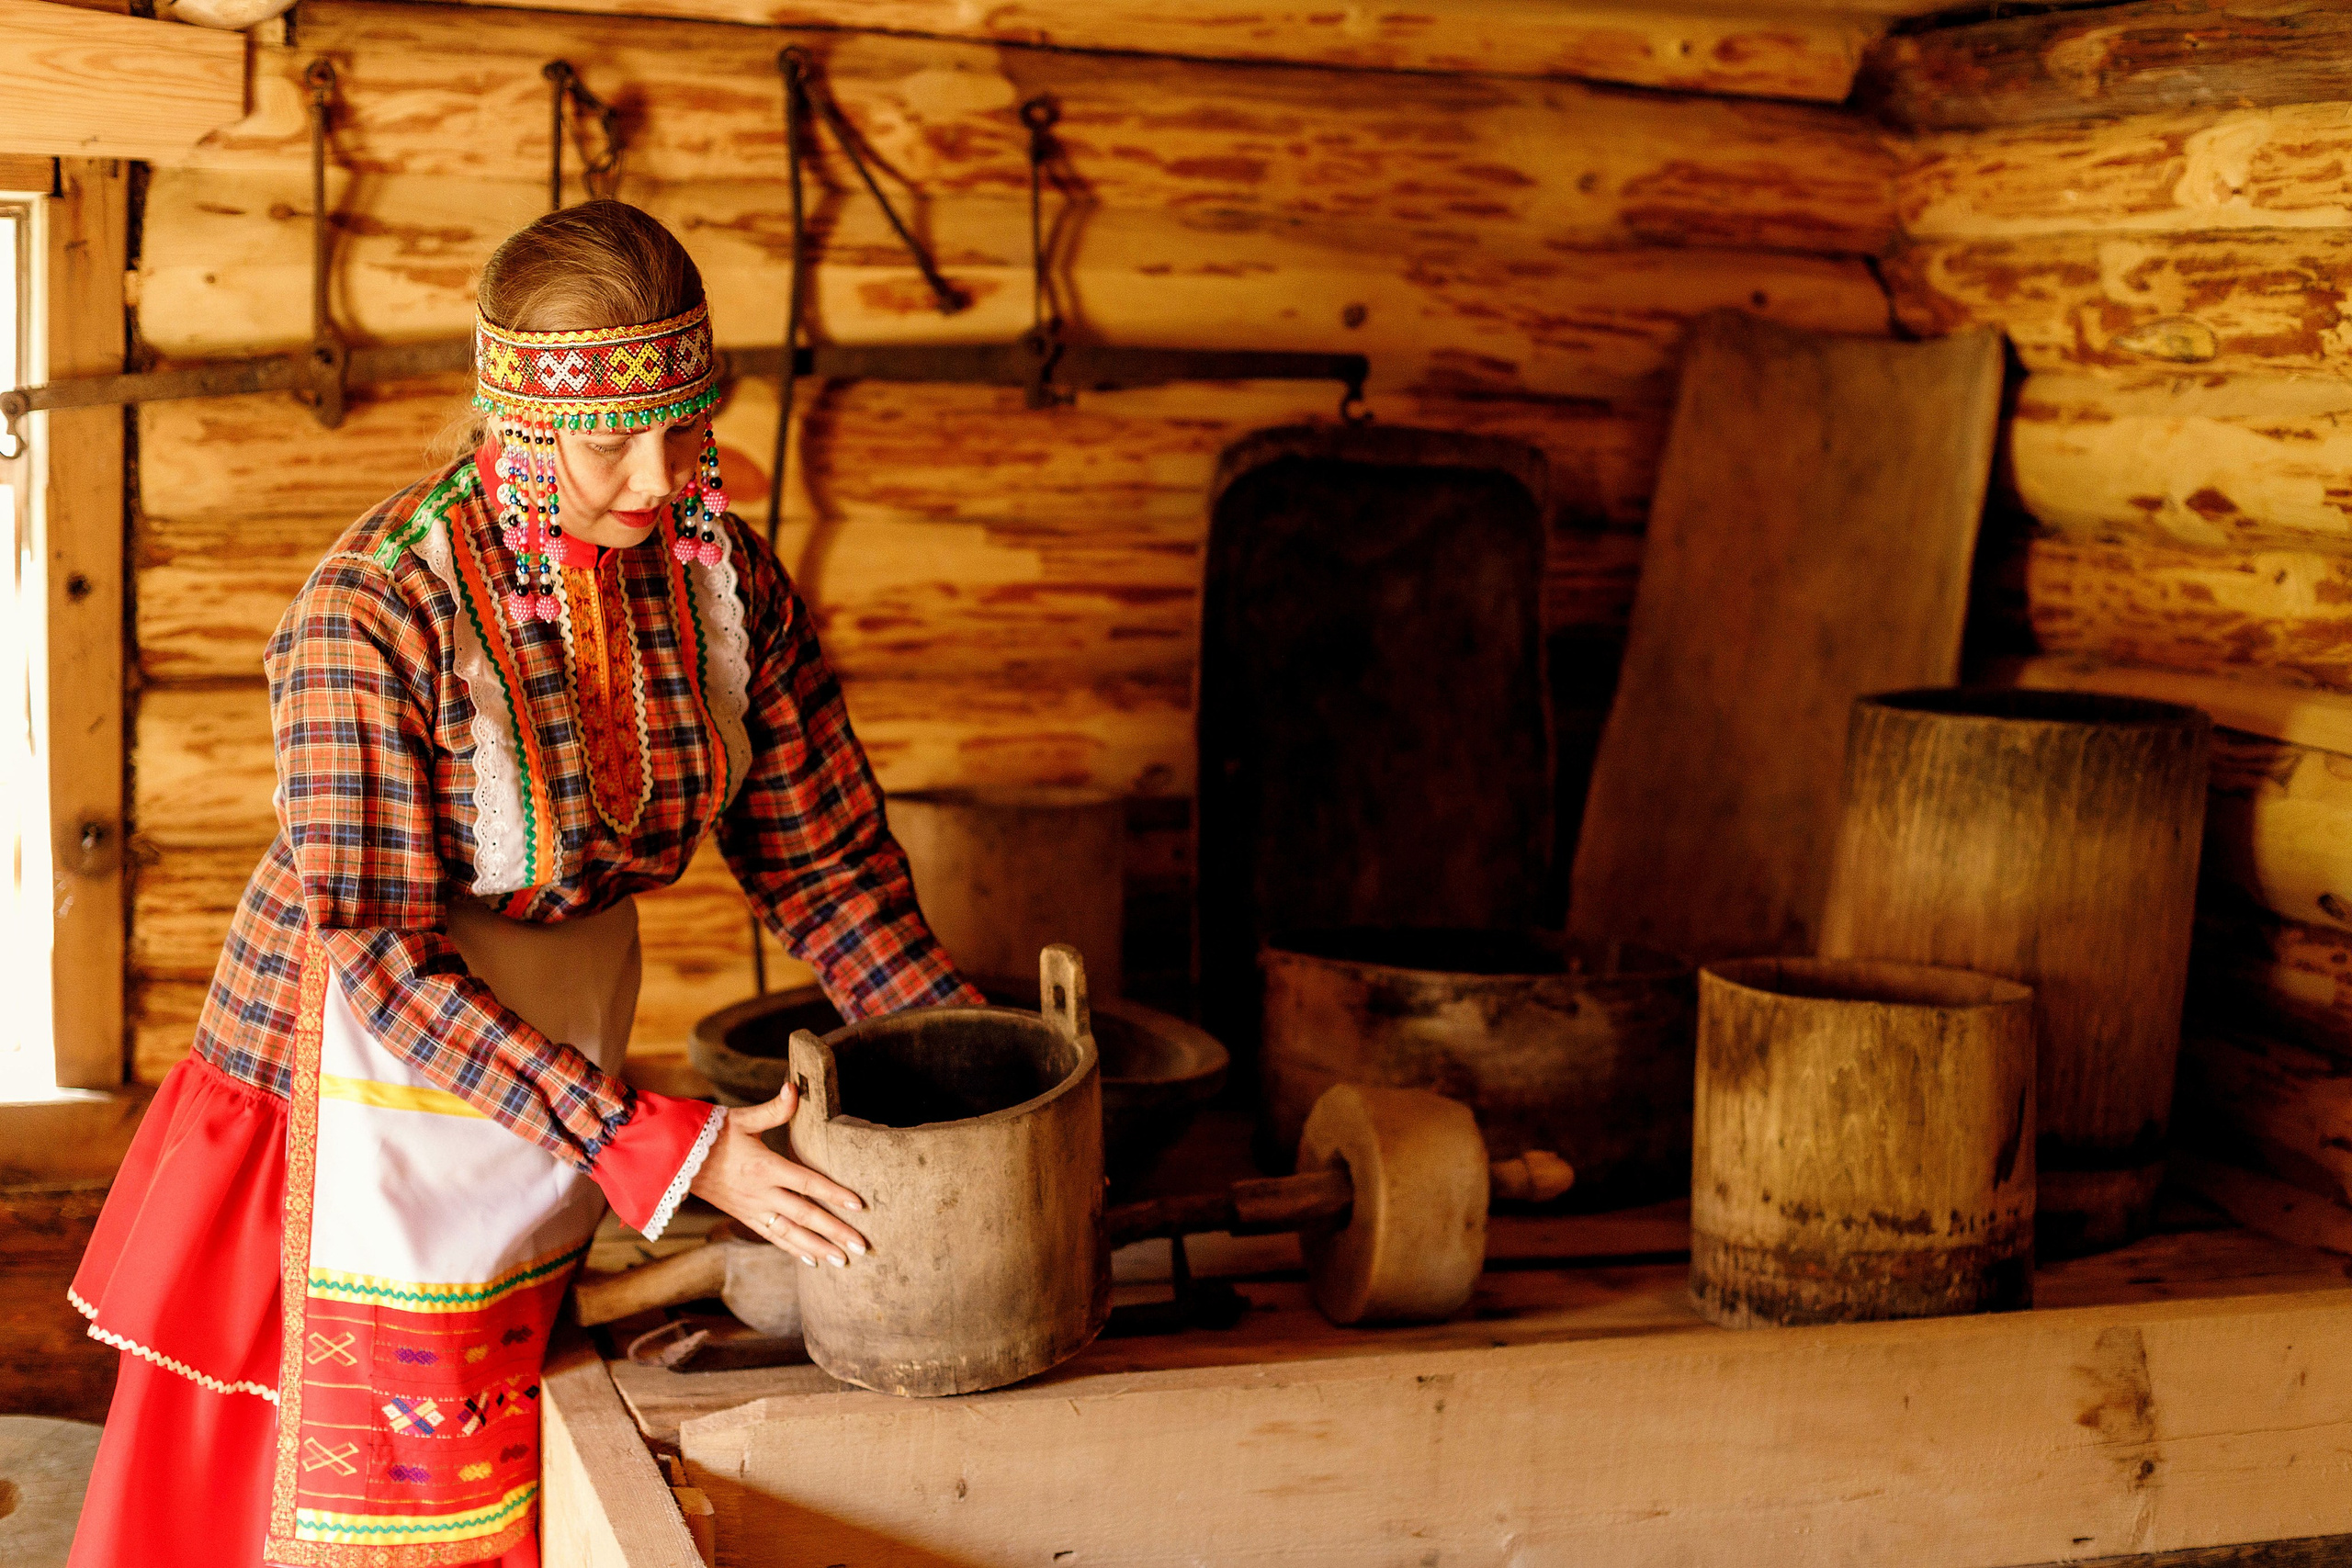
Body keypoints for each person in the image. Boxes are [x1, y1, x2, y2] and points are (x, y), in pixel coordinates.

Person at [65, 199, 980, 1566]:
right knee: (336, 1512)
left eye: (687, 429)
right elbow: (378, 954)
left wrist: (963, 1065)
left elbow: (827, 861)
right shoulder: (374, 609)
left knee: (510, 1476)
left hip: (552, 1086)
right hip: (364, 1095)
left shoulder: (716, 579)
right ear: (513, 423)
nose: (658, 479)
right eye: (611, 441)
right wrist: (662, 1143)